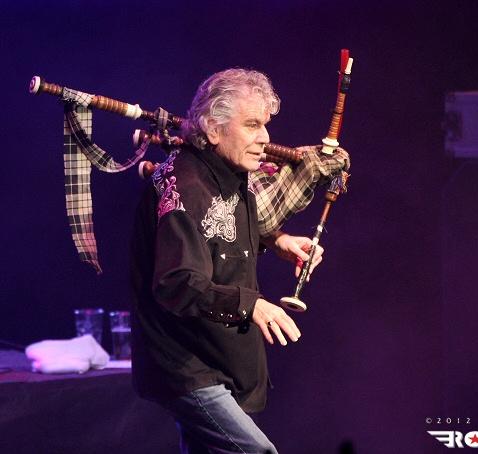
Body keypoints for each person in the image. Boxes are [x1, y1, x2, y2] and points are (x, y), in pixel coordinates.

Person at [130, 68, 348, 454]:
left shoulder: (228, 174)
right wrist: (253, 305)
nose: (264, 137)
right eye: (251, 125)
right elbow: (178, 283)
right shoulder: (184, 187)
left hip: (218, 359)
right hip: (188, 366)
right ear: (214, 129)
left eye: (264, 125)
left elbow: (217, 231)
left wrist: (278, 241)